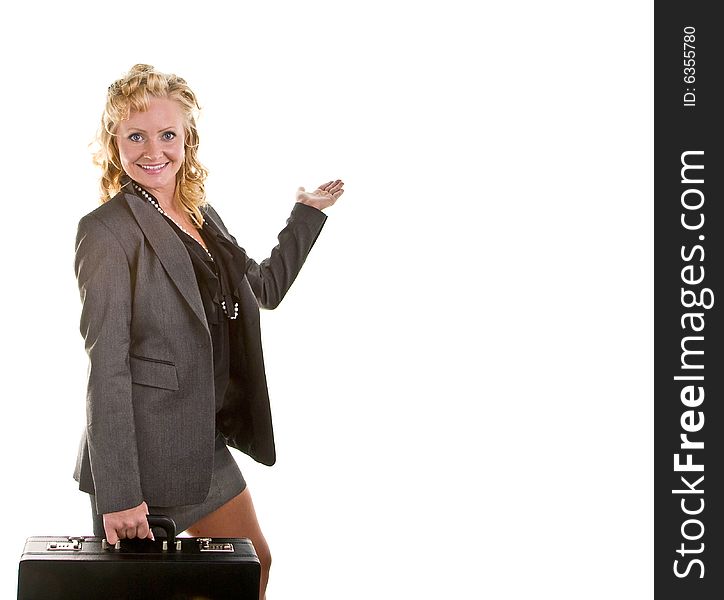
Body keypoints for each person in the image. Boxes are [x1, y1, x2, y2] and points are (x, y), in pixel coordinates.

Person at [73, 63, 344, 599]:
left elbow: (262, 288)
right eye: (136, 136)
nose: (154, 151)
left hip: (203, 443)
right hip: (142, 461)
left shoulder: (201, 213)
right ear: (115, 143)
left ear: (187, 138)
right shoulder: (106, 231)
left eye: (167, 134)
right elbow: (106, 369)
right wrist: (120, 495)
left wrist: (306, 215)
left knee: (253, 567)